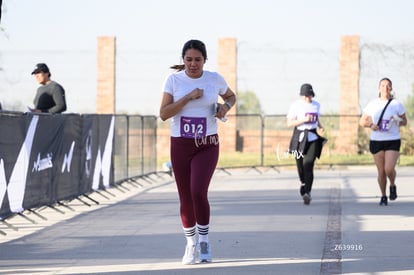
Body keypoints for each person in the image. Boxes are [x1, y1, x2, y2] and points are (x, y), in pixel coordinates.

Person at [159, 39, 236, 265]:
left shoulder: (214, 79)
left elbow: (231, 96)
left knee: (198, 192)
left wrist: (225, 107)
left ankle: (204, 240)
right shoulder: (173, 80)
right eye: (189, 60)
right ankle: (190, 243)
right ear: (183, 60)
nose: (193, 64)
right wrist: (187, 98)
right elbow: (164, 113)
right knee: (185, 196)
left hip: (207, 143)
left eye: (198, 60)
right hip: (181, 144)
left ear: (205, 60)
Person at [359, 77, 407, 206]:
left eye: (387, 86)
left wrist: (397, 119)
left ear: (391, 88)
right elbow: (362, 121)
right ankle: (383, 195)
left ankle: (392, 184)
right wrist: (371, 125)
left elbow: (404, 122)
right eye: (382, 85)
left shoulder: (397, 104)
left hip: (392, 139)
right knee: (381, 171)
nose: (385, 88)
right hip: (377, 140)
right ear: (379, 88)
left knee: (389, 169)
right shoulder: (372, 104)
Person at [287, 83, 326, 205]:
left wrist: (320, 126)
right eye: (305, 96)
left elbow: (316, 118)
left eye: (309, 95)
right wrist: (303, 120)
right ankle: (303, 183)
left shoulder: (316, 105)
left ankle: (307, 192)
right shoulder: (296, 106)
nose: (307, 98)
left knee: (308, 164)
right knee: (300, 165)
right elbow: (289, 123)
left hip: (313, 137)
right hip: (299, 138)